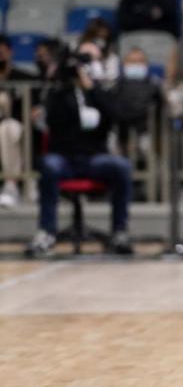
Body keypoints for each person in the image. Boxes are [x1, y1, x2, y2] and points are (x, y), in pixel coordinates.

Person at [27, 47, 133, 256]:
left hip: (94, 158)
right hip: (64, 158)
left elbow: (116, 115)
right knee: (48, 164)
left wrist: (91, 89)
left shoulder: (102, 92)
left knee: (121, 166)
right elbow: (51, 120)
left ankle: (119, 231)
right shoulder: (57, 93)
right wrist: (61, 82)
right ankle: (46, 232)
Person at [0, 35, 35, 207]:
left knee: (8, 128)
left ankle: (11, 184)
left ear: (10, 52)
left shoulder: (25, 77)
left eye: (2, 52)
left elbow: (35, 108)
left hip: (20, 126)